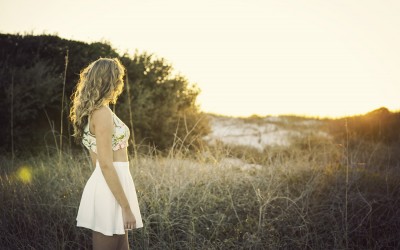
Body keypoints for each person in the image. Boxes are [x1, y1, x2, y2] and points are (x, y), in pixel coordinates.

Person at [69, 58, 143, 250]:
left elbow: (98, 163)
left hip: (113, 184)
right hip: (110, 185)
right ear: (110, 80)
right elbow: (104, 164)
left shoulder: (101, 110)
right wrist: (126, 207)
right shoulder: (101, 113)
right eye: (118, 78)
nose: (121, 83)